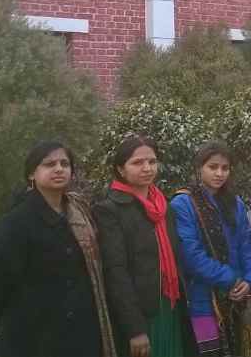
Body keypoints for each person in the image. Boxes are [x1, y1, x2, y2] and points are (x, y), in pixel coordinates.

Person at [0, 140, 116, 357]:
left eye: (64, 164)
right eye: (49, 164)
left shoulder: (81, 215)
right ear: (31, 174)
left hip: (82, 338)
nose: (59, 169)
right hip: (34, 341)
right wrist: (17, 324)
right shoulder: (16, 224)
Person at [93, 135, 193, 357]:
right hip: (142, 313)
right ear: (121, 169)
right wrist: (135, 329)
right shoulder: (109, 210)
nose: (147, 168)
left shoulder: (164, 207)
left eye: (152, 161)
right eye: (137, 162)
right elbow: (116, 273)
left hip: (171, 304)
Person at [171, 141, 251, 356]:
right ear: (199, 168)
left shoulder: (235, 203)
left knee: (235, 350)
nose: (219, 173)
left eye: (225, 168)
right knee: (208, 351)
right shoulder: (183, 203)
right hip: (201, 300)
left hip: (234, 299)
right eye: (213, 167)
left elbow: (246, 247)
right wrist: (231, 279)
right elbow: (191, 256)